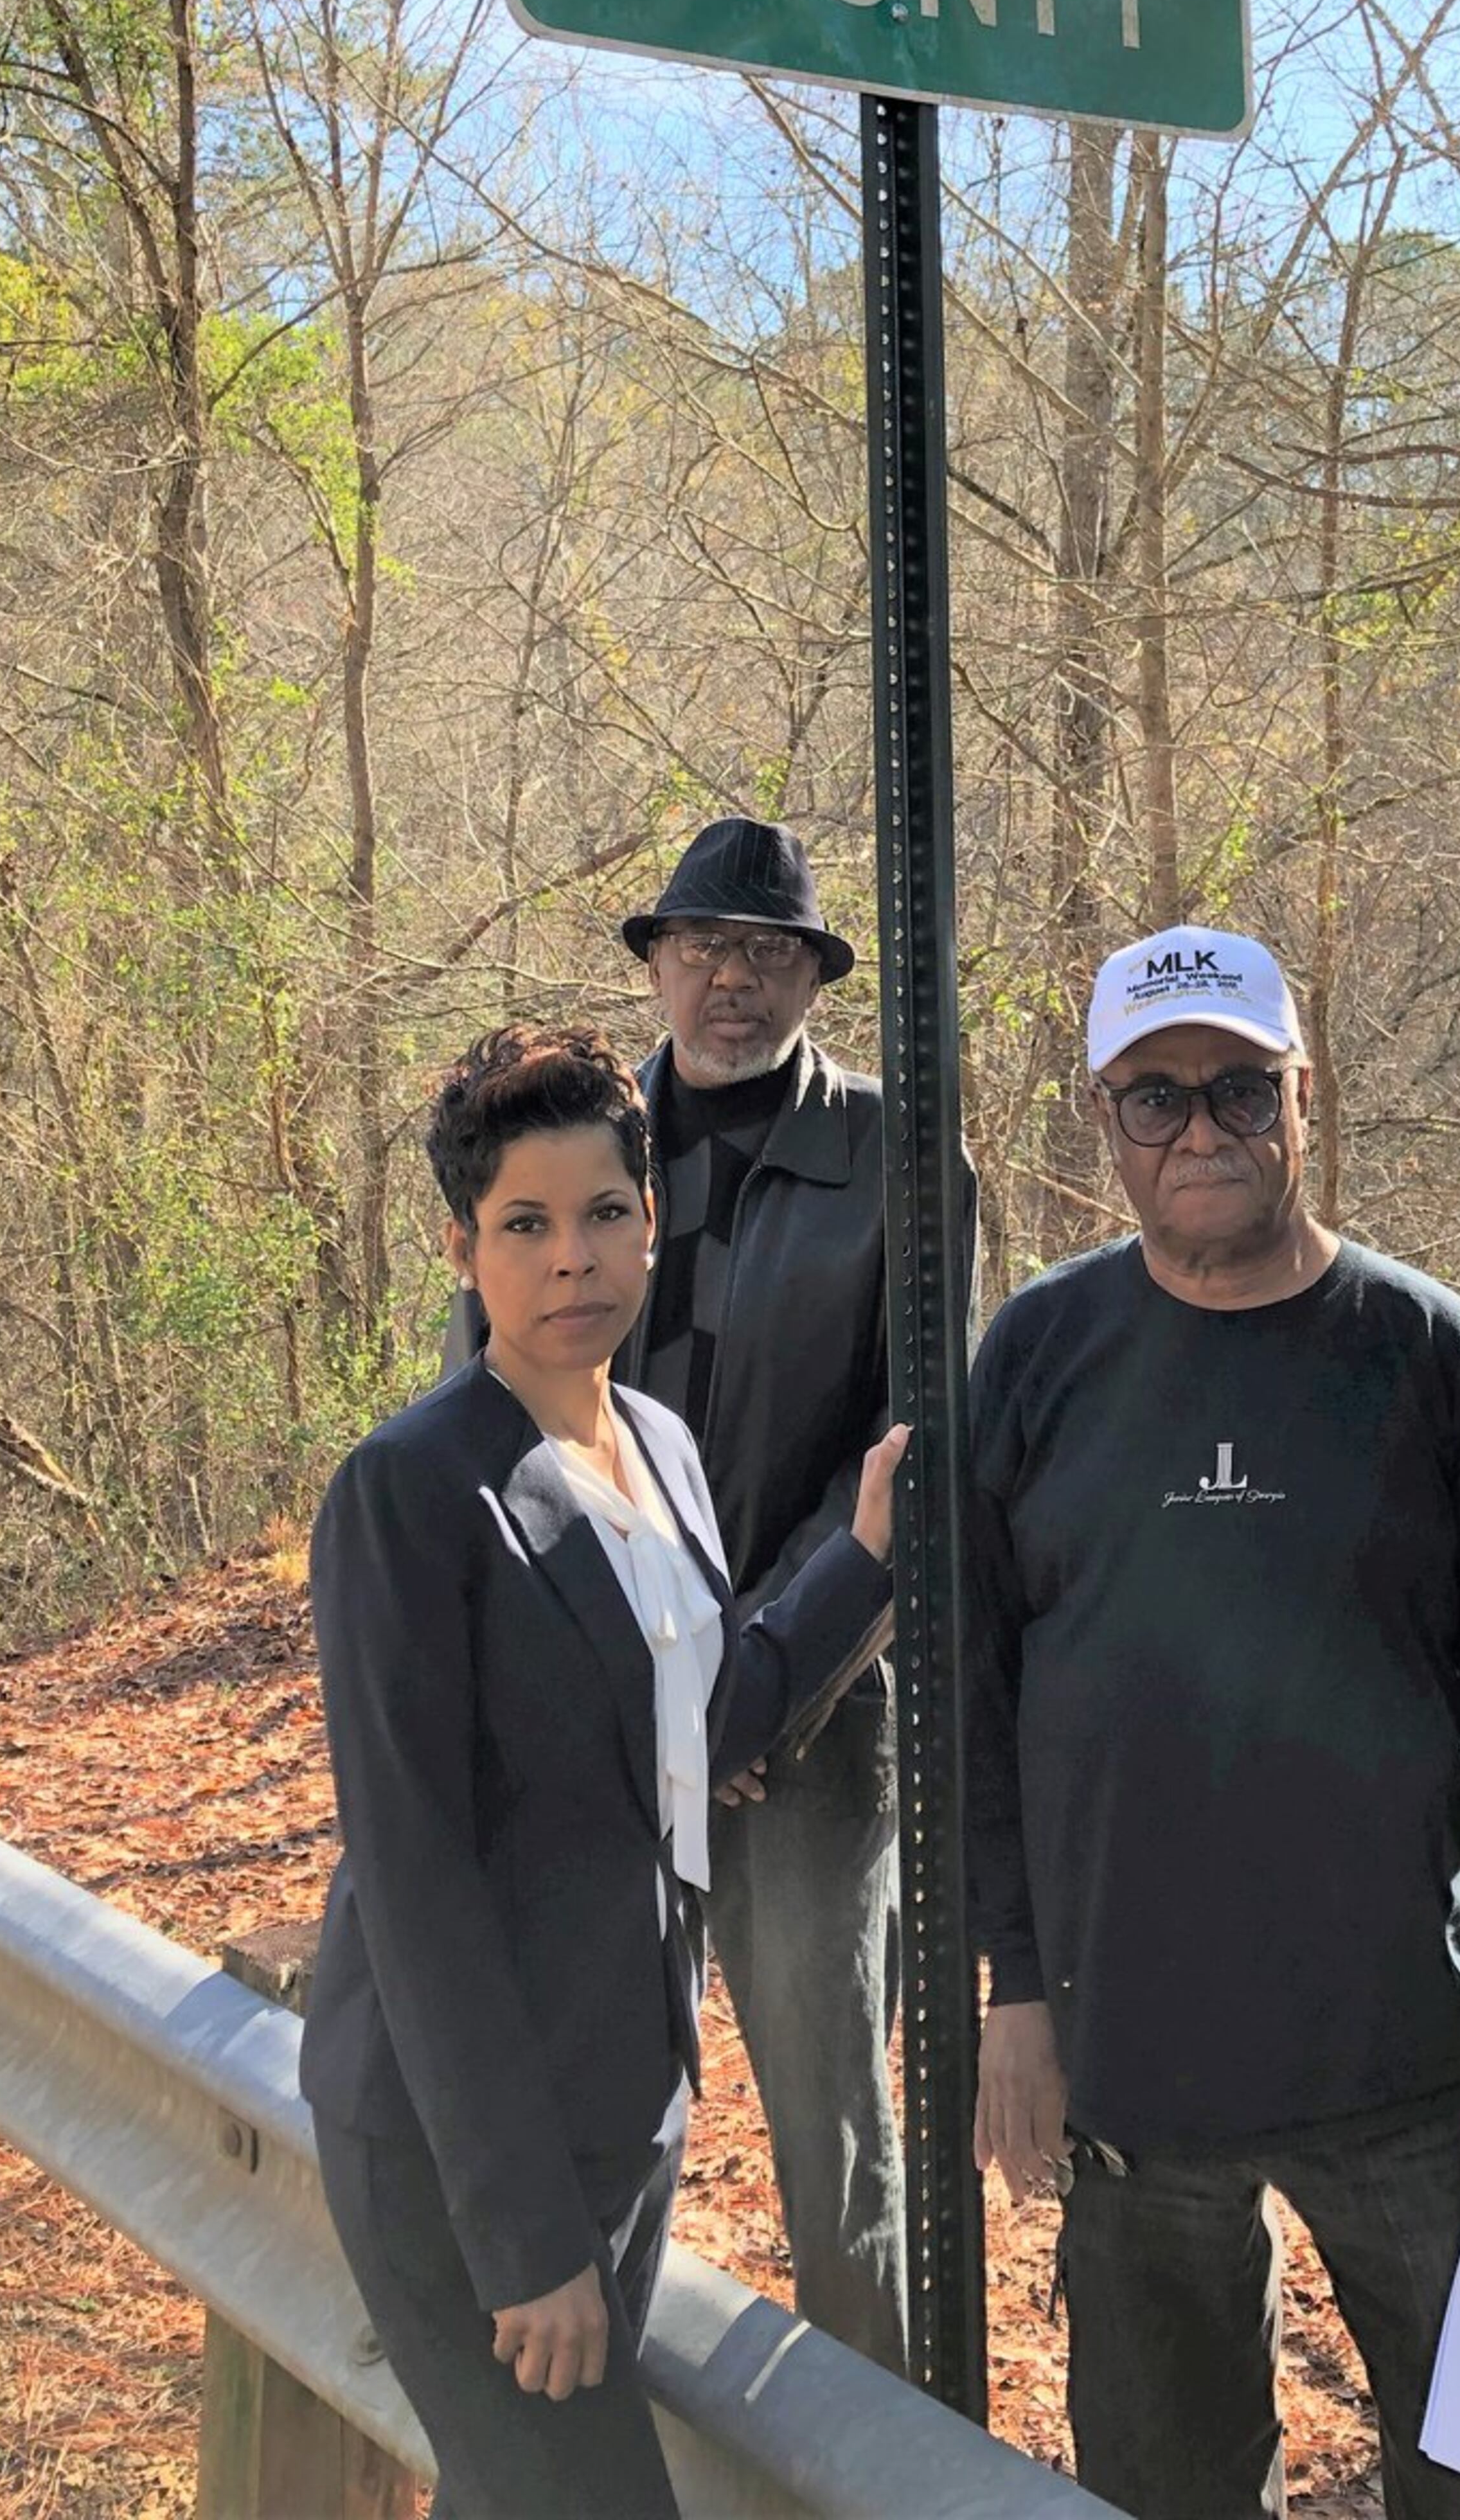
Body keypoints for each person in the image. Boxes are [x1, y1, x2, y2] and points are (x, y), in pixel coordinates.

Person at [966, 927, 1460, 2520]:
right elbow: (975, 1705)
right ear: (1102, 1117)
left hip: (1405, 2063)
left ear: (1305, 1097)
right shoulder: (1041, 1360)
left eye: (1242, 1092)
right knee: (1165, 2492)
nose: (1202, 1134)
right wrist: (1016, 1987)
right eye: (1159, 1098)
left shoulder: (1437, 1365)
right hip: (1132, 2073)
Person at [301, 1023, 905, 2520]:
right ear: (463, 1249)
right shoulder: (413, 1490)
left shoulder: (660, 1444)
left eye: (606, 1215)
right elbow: (419, 1886)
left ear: (651, 1225)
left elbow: (711, 1721)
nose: (574, 1259)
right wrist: (524, 2244)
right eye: (526, 1225)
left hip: (624, 2108)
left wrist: (868, 1555)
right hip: (465, 2158)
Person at [449, 814, 948, 2371]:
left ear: (812, 973)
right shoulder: (591, 1149)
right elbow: (509, 1410)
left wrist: (754, 1683)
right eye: (704, 948)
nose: (733, 981)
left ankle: (875, 2453)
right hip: (600, 1721)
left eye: (768, 953)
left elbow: (904, 1458)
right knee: (586, 2087)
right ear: (658, 964)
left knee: (833, 2135)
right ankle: (556, 2411)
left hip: (802, 1731)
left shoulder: (896, 1159)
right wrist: (632, 1679)